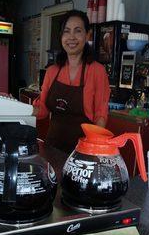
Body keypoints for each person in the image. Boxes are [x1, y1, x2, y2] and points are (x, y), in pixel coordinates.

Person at [33, 9, 110, 153]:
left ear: (87, 35)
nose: (71, 37)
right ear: (61, 36)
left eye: (78, 31)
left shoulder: (97, 71)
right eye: (66, 31)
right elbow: (43, 110)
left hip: (82, 152)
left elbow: (100, 115)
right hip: (52, 148)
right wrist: (17, 107)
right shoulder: (52, 71)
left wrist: (93, 151)